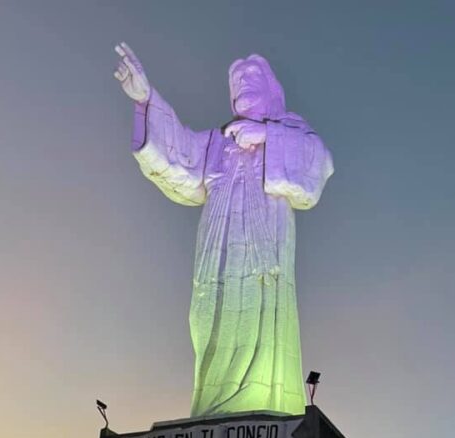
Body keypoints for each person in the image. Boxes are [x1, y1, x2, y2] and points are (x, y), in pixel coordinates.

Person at [113, 44, 334, 417]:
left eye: (250, 78)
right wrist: (146, 99)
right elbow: (178, 154)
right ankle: (214, 409)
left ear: (269, 89)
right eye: (236, 81)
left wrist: (265, 137)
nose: (241, 84)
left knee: (258, 325)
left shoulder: (288, 130)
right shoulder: (219, 141)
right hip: (216, 257)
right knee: (210, 321)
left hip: (262, 256)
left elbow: (318, 162)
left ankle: (261, 409)